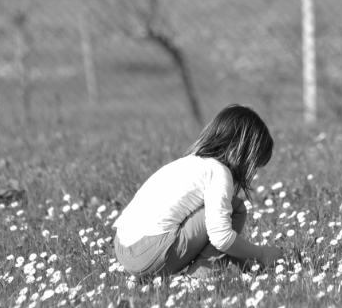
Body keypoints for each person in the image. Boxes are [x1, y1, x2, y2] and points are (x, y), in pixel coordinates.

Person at [113, 104, 284, 279]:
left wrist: (251, 267)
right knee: (234, 209)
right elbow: (221, 237)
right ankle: (201, 280)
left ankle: (246, 270)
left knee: (217, 215)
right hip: (149, 256)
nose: (251, 174)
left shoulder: (188, 163)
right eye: (253, 165)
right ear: (240, 151)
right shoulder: (218, 171)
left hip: (123, 249)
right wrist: (262, 253)